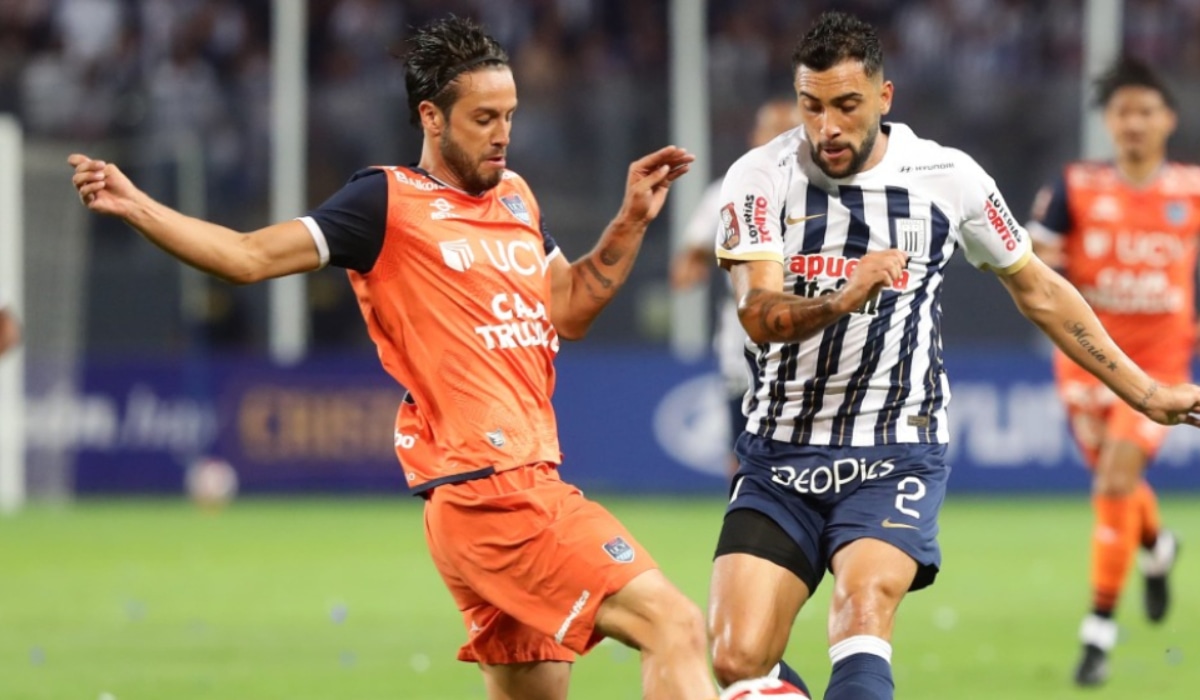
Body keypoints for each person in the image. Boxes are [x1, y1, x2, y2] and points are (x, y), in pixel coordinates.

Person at [68, 16, 760, 700]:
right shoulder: (385, 202)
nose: (503, 134)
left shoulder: (515, 197)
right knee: (672, 622)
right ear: (431, 116)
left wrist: (630, 221)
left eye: (510, 115)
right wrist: (139, 207)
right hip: (495, 490)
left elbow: (570, 308)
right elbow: (249, 258)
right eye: (484, 117)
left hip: (499, 491)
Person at [706, 11, 1200, 700]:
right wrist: (842, 300)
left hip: (896, 450)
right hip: (780, 453)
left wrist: (1145, 393)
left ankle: (1099, 625)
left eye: (847, 105)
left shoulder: (948, 177)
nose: (828, 127)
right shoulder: (758, 177)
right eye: (812, 106)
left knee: (862, 611)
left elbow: (1039, 290)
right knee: (736, 660)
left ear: (884, 96)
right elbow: (759, 317)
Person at [1027, 55, 1194, 687]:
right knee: (1116, 485)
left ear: (1168, 120)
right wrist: (1046, 259)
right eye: (1123, 111)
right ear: (1108, 121)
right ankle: (1157, 548)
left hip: (1160, 366)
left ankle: (1097, 633)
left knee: (1114, 480)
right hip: (1087, 360)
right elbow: (1035, 265)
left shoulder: (1191, 190)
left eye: (1146, 110)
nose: (1134, 122)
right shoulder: (1075, 187)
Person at [670, 98, 801, 476]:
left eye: (787, 132)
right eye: (771, 132)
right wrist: (703, 263)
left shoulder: (823, 193)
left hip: (808, 340)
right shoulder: (726, 192)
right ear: (755, 137)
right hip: (744, 347)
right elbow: (686, 265)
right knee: (744, 457)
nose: (779, 141)